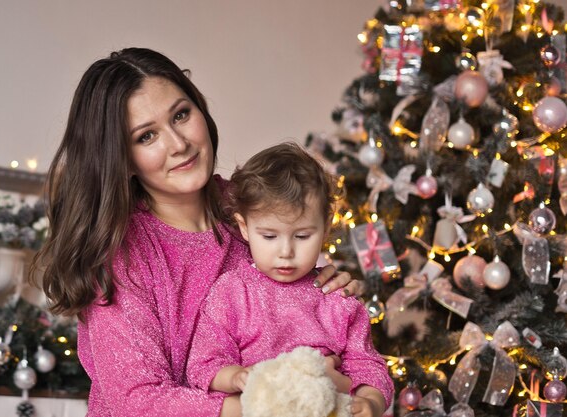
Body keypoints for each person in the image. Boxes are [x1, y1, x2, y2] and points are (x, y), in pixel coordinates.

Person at [32, 48, 361, 417]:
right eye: (146, 137)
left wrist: (327, 290)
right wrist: (272, 404)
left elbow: (311, 339)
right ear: (121, 160)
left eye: (181, 115)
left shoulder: (254, 206)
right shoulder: (120, 255)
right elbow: (138, 401)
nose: (179, 144)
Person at [187, 142, 393, 417]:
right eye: (269, 236)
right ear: (245, 227)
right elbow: (203, 364)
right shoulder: (231, 293)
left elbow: (369, 367)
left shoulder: (336, 298)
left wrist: (371, 402)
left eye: (302, 236)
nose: (286, 252)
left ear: (326, 225)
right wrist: (236, 377)